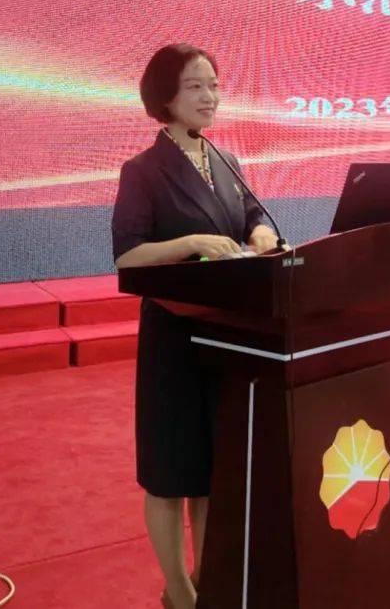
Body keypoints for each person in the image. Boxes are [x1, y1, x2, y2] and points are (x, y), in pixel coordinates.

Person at [111, 43, 279, 609]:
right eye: (195, 87)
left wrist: (260, 235)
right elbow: (127, 255)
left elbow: (253, 218)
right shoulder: (143, 171)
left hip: (224, 338)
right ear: (166, 97)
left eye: (214, 85)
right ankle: (178, 590)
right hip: (173, 341)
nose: (210, 97)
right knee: (170, 473)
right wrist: (188, 243)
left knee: (210, 472)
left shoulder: (226, 161)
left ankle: (211, 578)